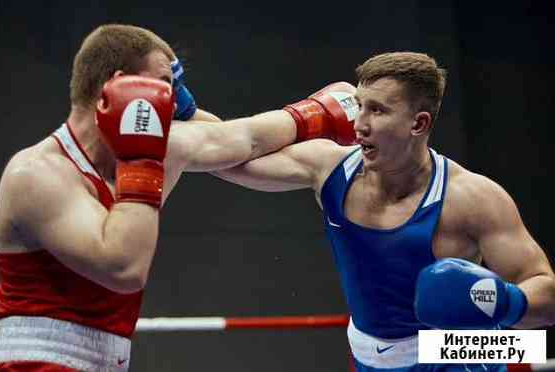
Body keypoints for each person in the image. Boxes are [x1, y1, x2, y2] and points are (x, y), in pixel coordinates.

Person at [0, 24, 357, 371]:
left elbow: (244, 140)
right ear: (121, 87)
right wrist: (143, 157)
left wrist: (319, 112)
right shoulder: (37, 174)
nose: (171, 104)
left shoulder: (152, 149)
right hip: (34, 361)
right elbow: (123, 267)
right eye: (166, 87)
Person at [213, 52, 555, 371]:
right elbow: (223, 154)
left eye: (376, 110)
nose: (358, 124)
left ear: (418, 124)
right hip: (367, 355)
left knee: (522, 349)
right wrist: (180, 113)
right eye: (359, 106)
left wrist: (502, 304)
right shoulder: (329, 168)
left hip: (452, 354)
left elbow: (546, 295)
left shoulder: (471, 197)